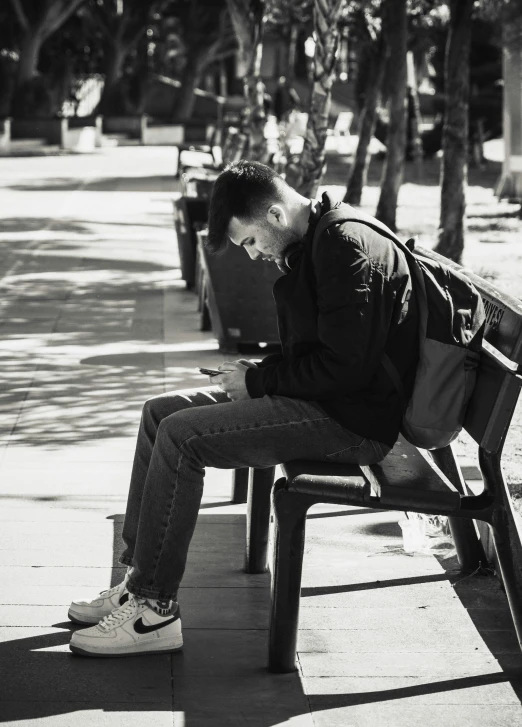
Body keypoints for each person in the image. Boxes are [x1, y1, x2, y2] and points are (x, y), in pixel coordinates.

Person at [68, 160, 419, 657]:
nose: (253, 256)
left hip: (353, 423)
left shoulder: (345, 248)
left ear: (275, 215)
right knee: (158, 414)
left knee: (181, 437)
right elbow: (328, 354)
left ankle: (153, 611)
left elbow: (346, 370)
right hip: (327, 402)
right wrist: (259, 370)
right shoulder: (319, 239)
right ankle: (138, 579)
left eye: (251, 242)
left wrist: (257, 380)